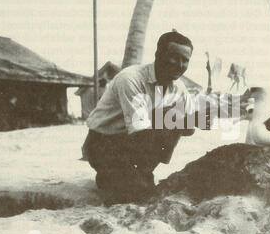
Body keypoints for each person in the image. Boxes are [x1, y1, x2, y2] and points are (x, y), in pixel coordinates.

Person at [83, 31, 211, 205]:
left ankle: (141, 173)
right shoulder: (131, 79)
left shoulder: (179, 87)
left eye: (185, 60)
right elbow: (140, 131)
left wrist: (198, 118)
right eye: (174, 57)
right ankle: (115, 175)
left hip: (136, 143)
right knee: (134, 195)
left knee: (173, 116)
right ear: (158, 54)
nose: (179, 64)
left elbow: (188, 130)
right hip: (104, 143)